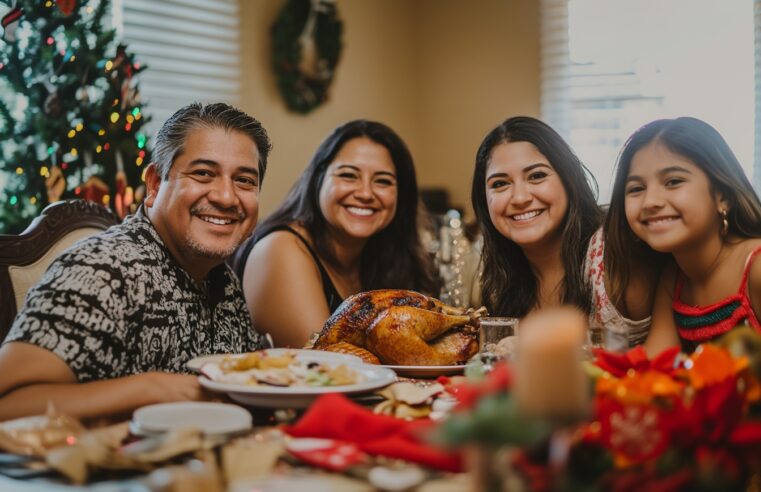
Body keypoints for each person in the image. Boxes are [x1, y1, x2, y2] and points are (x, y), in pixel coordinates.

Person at [0, 102, 271, 420]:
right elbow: (7, 401)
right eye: (202, 174)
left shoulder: (221, 278)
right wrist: (153, 388)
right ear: (155, 184)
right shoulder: (103, 271)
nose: (226, 197)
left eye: (244, 181)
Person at [231, 119, 438, 348]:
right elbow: (324, 365)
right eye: (348, 175)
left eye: (383, 181)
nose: (365, 193)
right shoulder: (280, 249)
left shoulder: (384, 255)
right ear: (318, 179)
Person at [471, 116, 656, 346]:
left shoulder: (615, 255)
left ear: (569, 179)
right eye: (500, 183)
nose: (519, 198)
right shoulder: (500, 280)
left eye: (537, 176)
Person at [606, 117, 761, 354]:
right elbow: (655, 364)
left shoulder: (756, 268)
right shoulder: (674, 279)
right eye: (637, 189)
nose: (651, 202)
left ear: (723, 196)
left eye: (673, 182)